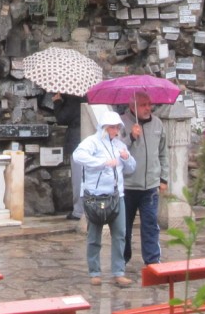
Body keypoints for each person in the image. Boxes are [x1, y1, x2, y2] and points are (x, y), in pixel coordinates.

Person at [72, 110, 136, 287]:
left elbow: (131, 168)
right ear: (105, 128)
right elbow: (78, 156)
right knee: (94, 235)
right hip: (96, 196)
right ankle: (94, 271)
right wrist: (102, 163)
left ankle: (118, 271)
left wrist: (127, 157)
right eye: (113, 127)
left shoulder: (119, 145)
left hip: (117, 195)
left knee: (120, 234)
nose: (116, 130)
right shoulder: (91, 142)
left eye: (117, 127)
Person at [120, 92, 169, 267]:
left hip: (150, 185)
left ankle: (152, 261)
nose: (148, 108)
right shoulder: (121, 122)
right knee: (124, 228)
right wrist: (131, 137)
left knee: (150, 225)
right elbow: (115, 151)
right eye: (143, 105)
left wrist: (164, 178)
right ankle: (122, 261)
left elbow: (163, 152)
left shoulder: (158, 124)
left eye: (149, 104)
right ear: (132, 106)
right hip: (127, 186)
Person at [52, 93, 85, 220]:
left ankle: (78, 211)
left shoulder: (74, 97)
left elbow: (62, 118)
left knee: (78, 178)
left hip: (77, 141)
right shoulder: (91, 94)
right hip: (91, 137)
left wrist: (57, 101)